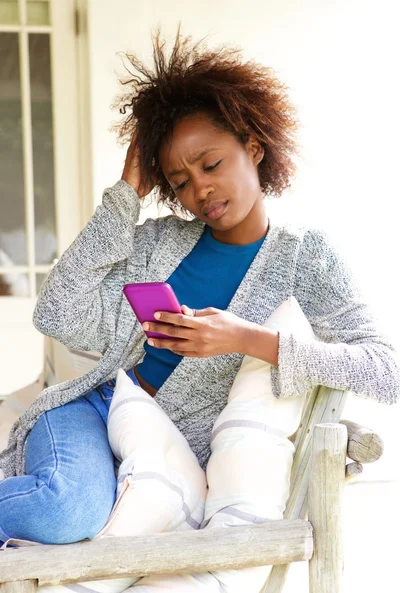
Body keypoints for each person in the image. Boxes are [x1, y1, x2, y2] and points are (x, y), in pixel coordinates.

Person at [0, 30, 398, 546]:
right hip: (93, 414)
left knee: (75, 517)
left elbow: (386, 371)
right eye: (180, 180)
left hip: (167, 451)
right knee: (64, 510)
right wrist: (126, 194)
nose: (200, 188)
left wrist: (247, 339)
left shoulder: (305, 258)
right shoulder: (158, 243)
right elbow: (56, 313)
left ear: (253, 148)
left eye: (211, 164)